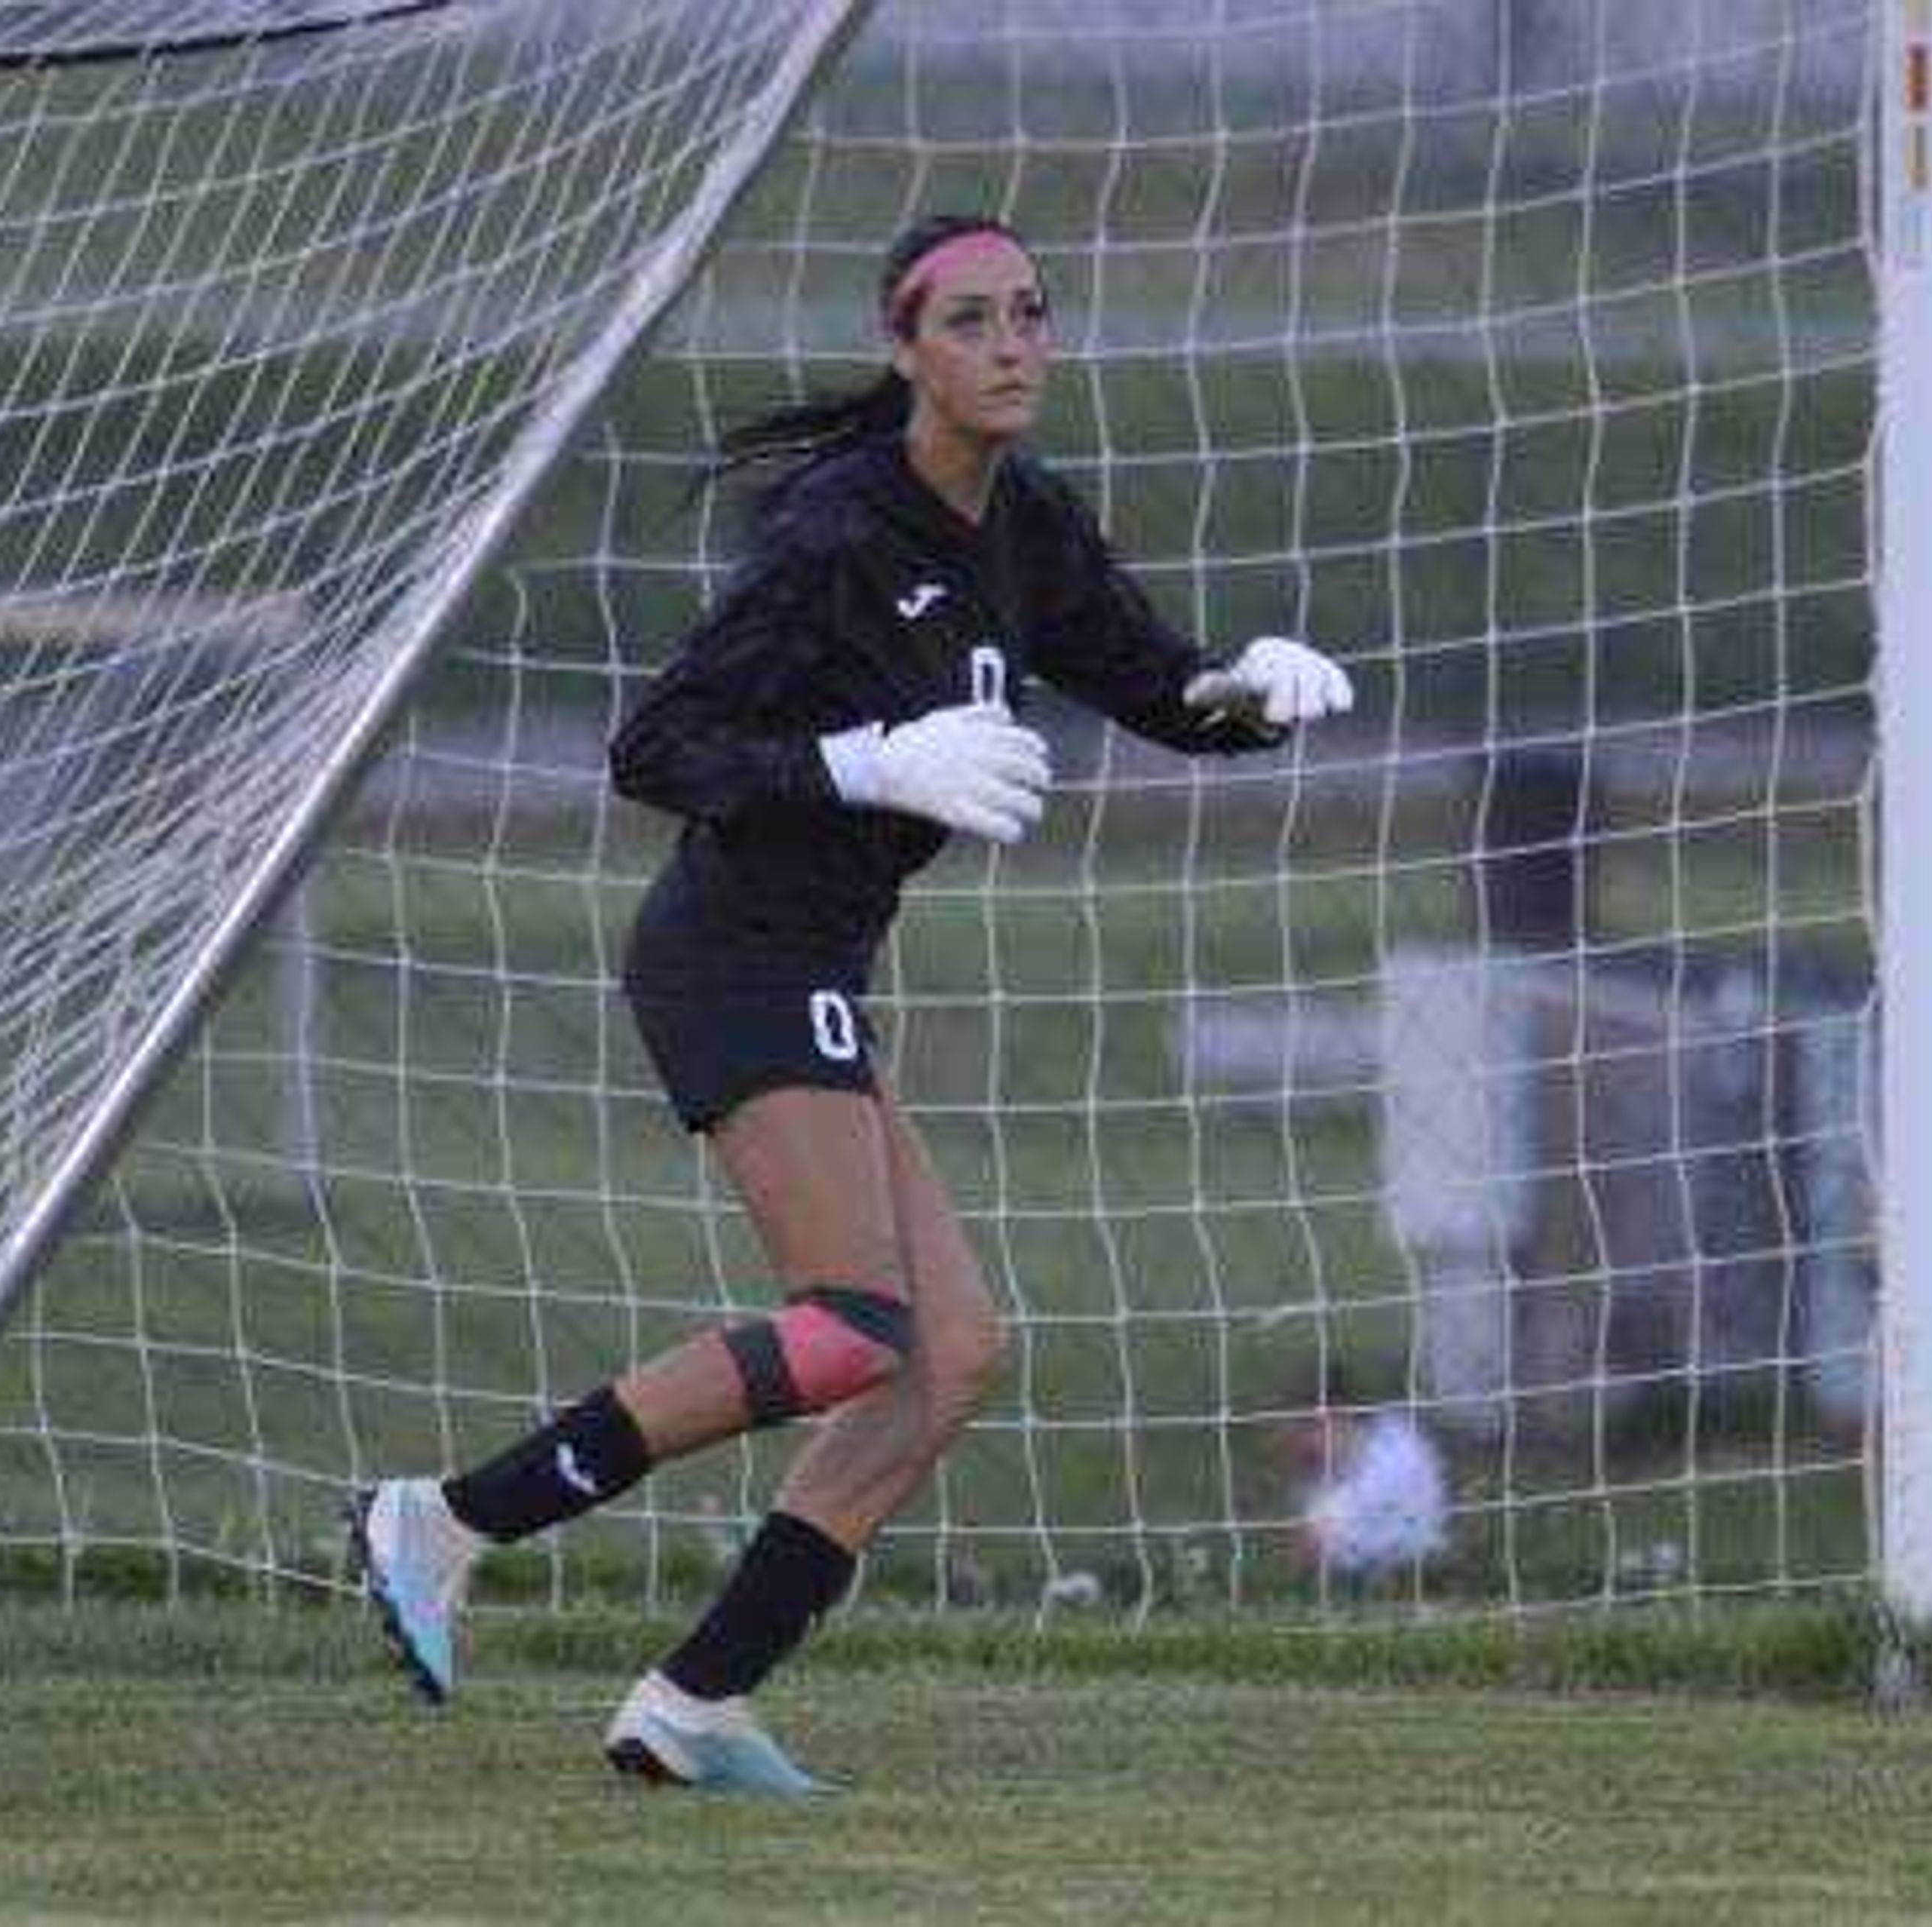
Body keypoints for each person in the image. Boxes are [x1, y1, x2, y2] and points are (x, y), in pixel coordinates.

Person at [347, 213, 1354, 1795]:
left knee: (949, 1351)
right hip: (733, 952)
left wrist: (1251, 697)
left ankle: (699, 1700)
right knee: (852, 1330)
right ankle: (453, 1516)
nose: (1013, 345)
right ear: (906, 350)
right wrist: (863, 764)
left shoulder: (1026, 527)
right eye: (971, 321)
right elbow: (654, 751)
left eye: (1032, 314)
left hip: (819, 962)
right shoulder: (836, 533)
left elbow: (1161, 691)